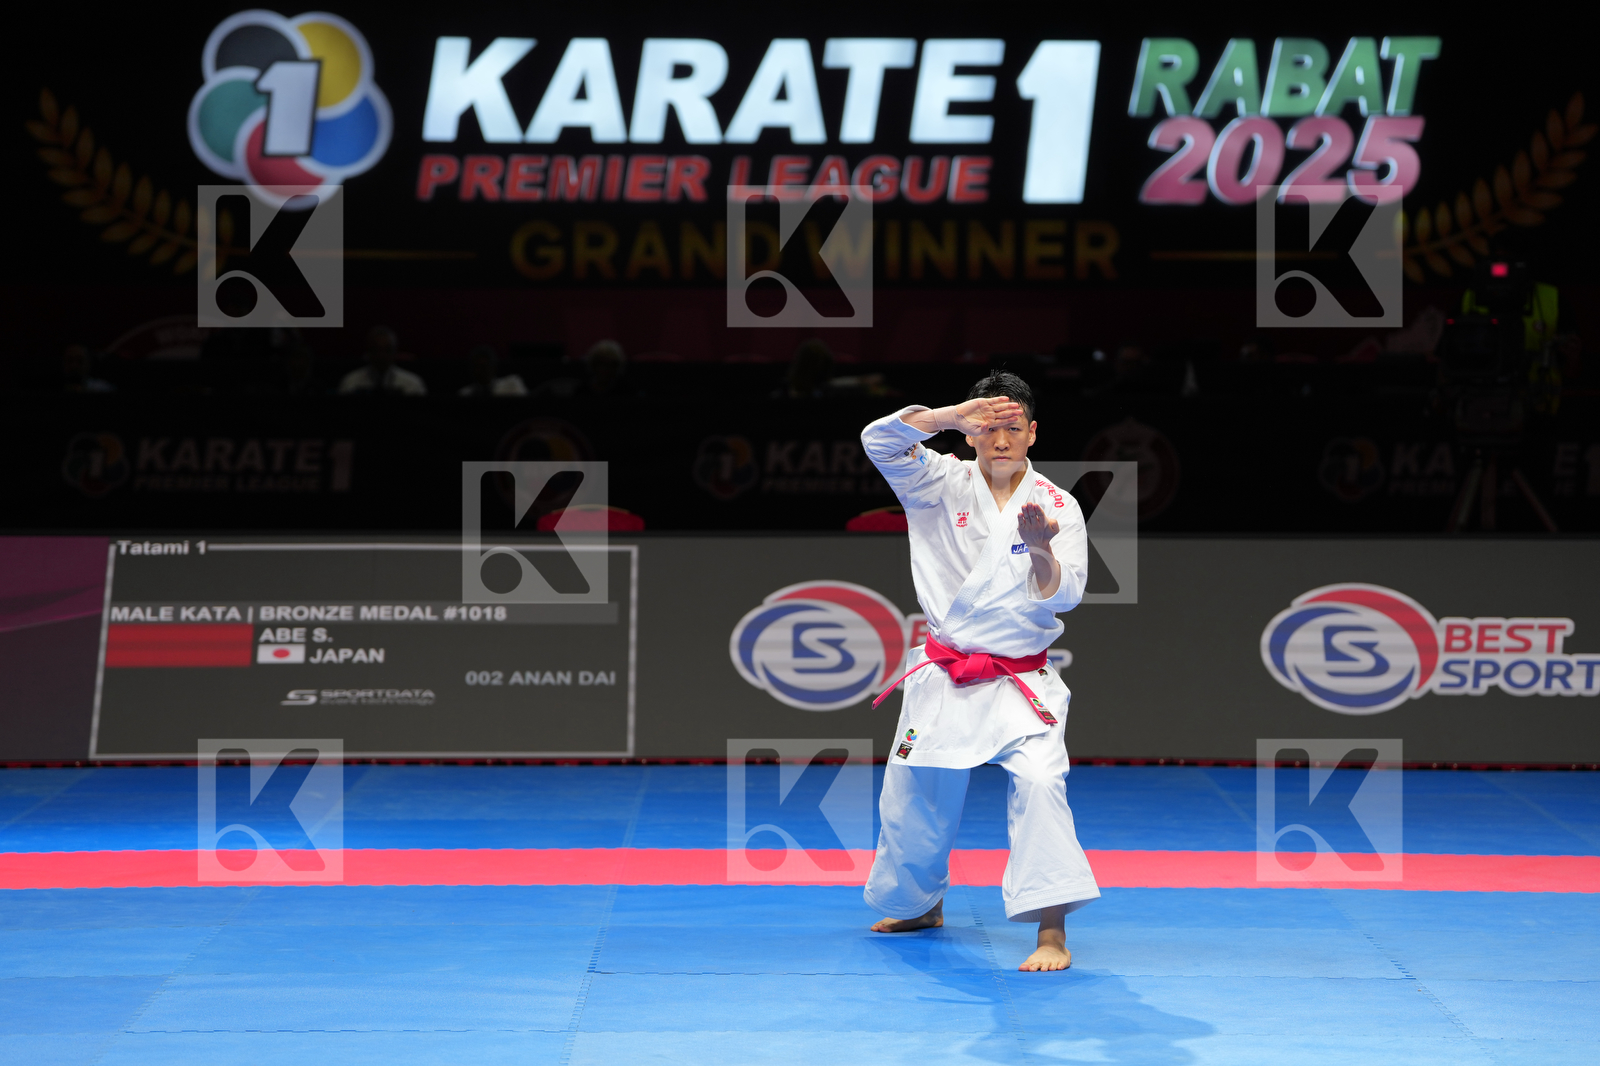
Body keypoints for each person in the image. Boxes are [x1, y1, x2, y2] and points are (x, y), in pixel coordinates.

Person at [859, 370, 1098, 973]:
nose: (999, 438)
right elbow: (877, 441)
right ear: (971, 433)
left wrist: (1041, 548)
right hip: (945, 673)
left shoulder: (1057, 505)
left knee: (1043, 784)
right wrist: (944, 415)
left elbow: (1062, 596)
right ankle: (919, 904)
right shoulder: (936, 480)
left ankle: (1051, 931)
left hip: (1021, 680)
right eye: (988, 427)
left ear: (1032, 433)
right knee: (914, 795)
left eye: (1011, 427)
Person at [338, 326, 426, 395]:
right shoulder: (351, 383)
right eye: (376, 349)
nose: (381, 355)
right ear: (368, 351)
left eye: (387, 350)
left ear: (395, 352)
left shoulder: (412, 384)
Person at [458, 345, 528, 397]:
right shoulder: (465, 393)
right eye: (476, 367)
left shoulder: (512, 384)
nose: (480, 371)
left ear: (493, 367)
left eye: (484, 367)